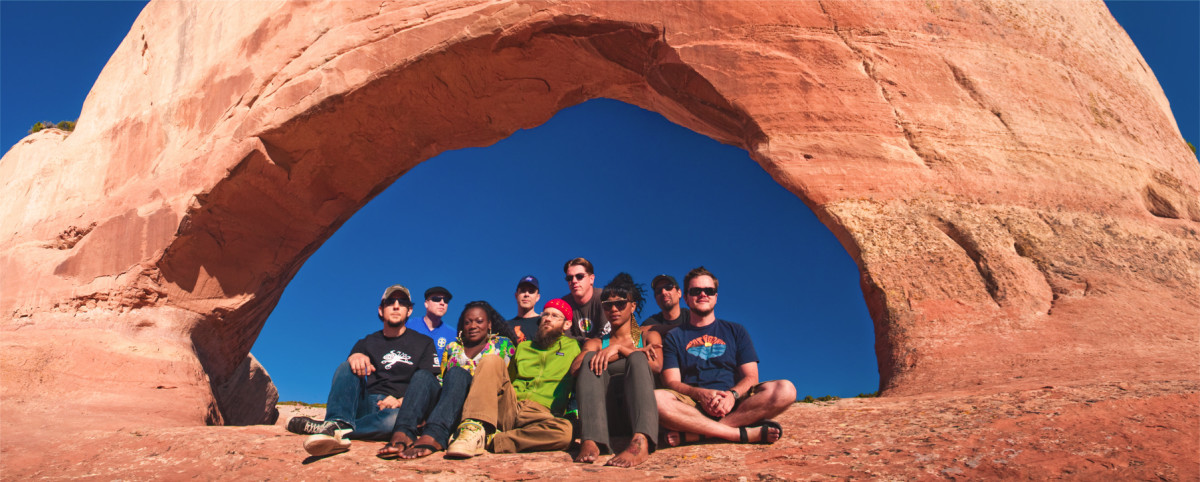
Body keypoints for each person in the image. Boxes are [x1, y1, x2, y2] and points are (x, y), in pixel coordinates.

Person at [286, 285, 437, 457]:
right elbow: (348, 378)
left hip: (398, 408)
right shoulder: (366, 342)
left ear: (409, 311)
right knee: (346, 366)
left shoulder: (424, 343)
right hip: (366, 404)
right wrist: (355, 356)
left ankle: (335, 430)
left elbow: (428, 383)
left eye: (402, 303)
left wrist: (401, 401)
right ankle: (338, 421)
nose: (396, 306)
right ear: (381, 310)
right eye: (390, 302)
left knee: (395, 421)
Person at [654, 267, 797, 446]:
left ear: (716, 296)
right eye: (696, 291)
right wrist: (701, 394)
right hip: (693, 405)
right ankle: (738, 434)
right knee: (655, 400)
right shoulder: (675, 336)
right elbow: (671, 382)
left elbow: (751, 376)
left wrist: (732, 395)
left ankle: (699, 435)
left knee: (786, 389)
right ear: (686, 298)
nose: (703, 294)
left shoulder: (736, 330)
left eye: (709, 291)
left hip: (735, 403)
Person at [378, 301, 518, 460]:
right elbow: (441, 381)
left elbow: (508, 381)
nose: (473, 326)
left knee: (458, 373)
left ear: (489, 324)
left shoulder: (503, 345)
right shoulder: (452, 348)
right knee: (423, 376)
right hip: (451, 406)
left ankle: (435, 435)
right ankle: (403, 433)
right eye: (467, 322)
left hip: (482, 407)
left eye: (479, 321)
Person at [444, 298, 583, 457]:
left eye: (555, 316)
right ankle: (472, 428)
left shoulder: (574, 348)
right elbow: (506, 380)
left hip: (543, 414)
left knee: (566, 433)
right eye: (545, 315)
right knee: (492, 360)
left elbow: (595, 347)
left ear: (567, 324)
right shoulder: (524, 347)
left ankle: (494, 440)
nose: (547, 319)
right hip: (511, 407)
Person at [573, 273, 663, 467]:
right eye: (607, 304)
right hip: (607, 416)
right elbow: (576, 368)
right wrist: (612, 350)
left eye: (621, 304)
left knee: (638, 358)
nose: (613, 309)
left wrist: (623, 349)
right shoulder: (596, 343)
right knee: (589, 358)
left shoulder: (648, 337)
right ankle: (592, 440)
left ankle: (641, 441)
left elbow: (656, 366)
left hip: (637, 414)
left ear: (633, 306)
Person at [561, 257, 608, 339]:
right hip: (575, 350)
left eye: (579, 276)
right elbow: (565, 338)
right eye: (569, 278)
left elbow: (606, 334)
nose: (574, 281)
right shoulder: (563, 304)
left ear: (591, 279)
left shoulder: (604, 297)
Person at [408, 286, 456, 366]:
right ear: (426, 304)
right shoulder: (408, 325)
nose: (442, 303)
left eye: (446, 300)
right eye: (436, 299)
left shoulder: (453, 335)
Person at [507, 275, 541, 343]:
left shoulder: (544, 323)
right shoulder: (506, 326)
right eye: (523, 291)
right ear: (516, 295)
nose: (526, 294)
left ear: (537, 297)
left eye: (531, 291)